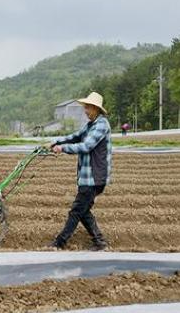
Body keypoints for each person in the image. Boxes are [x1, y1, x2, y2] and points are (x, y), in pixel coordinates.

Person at [47, 91, 112, 251]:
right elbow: (76, 136)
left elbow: (86, 146)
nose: (85, 110)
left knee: (76, 210)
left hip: (94, 177)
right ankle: (100, 241)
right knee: (83, 211)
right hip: (87, 177)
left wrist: (62, 148)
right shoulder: (91, 125)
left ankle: (59, 242)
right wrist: (54, 141)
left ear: (96, 109)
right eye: (85, 107)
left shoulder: (101, 125)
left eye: (88, 107)